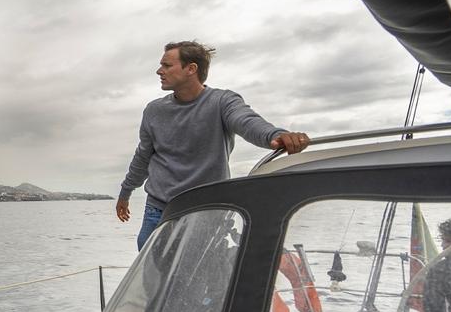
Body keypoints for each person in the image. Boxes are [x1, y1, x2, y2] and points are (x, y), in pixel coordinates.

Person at [116, 41, 309, 249]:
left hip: (207, 210)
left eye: (166, 65)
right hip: (160, 208)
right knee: (151, 277)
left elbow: (246, 121)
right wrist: (125, 192)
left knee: (198, 276)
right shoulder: (154, 111)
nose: (159, 71)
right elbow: (143, 157)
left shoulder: (222, 101)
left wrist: (276, 136)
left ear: (191, 69)